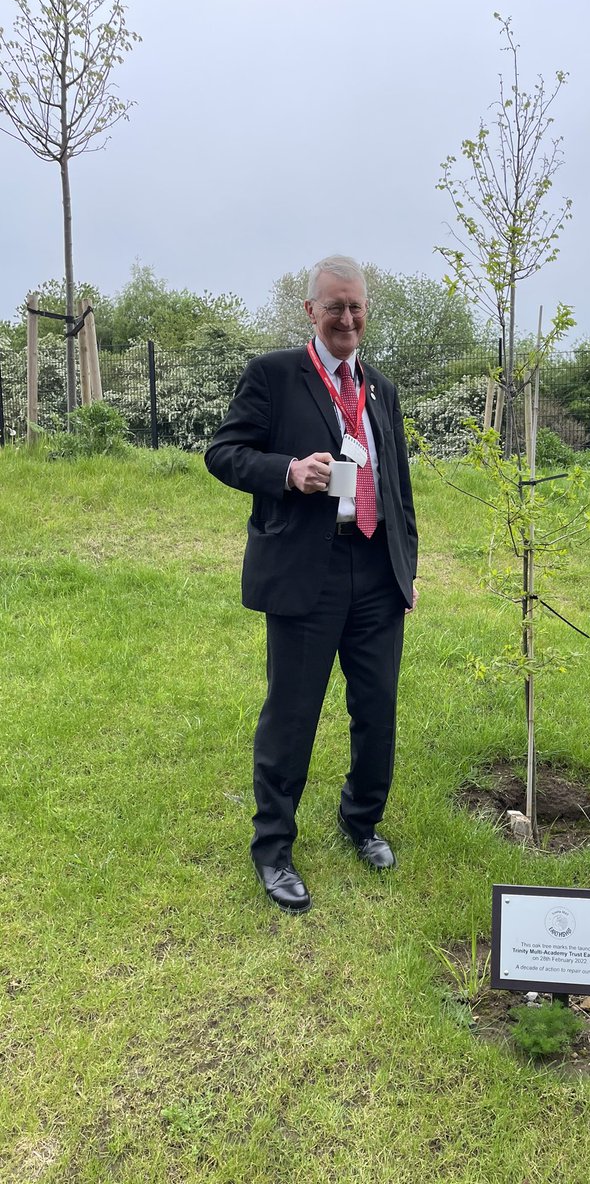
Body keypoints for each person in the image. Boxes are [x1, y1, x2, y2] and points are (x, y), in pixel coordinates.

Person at [205, 255, 418, 914]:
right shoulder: (274, 376)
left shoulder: (380, 388)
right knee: (292, 714)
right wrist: (288, 471)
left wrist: (407, 567)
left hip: (377, 572)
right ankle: (273, 847)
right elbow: (223, 452)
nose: (347, 318)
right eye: (335, 308)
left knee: (376, 708)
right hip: (307, 570)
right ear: (311, 312)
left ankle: (361, 820)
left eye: (356, 307)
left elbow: (398, 485)